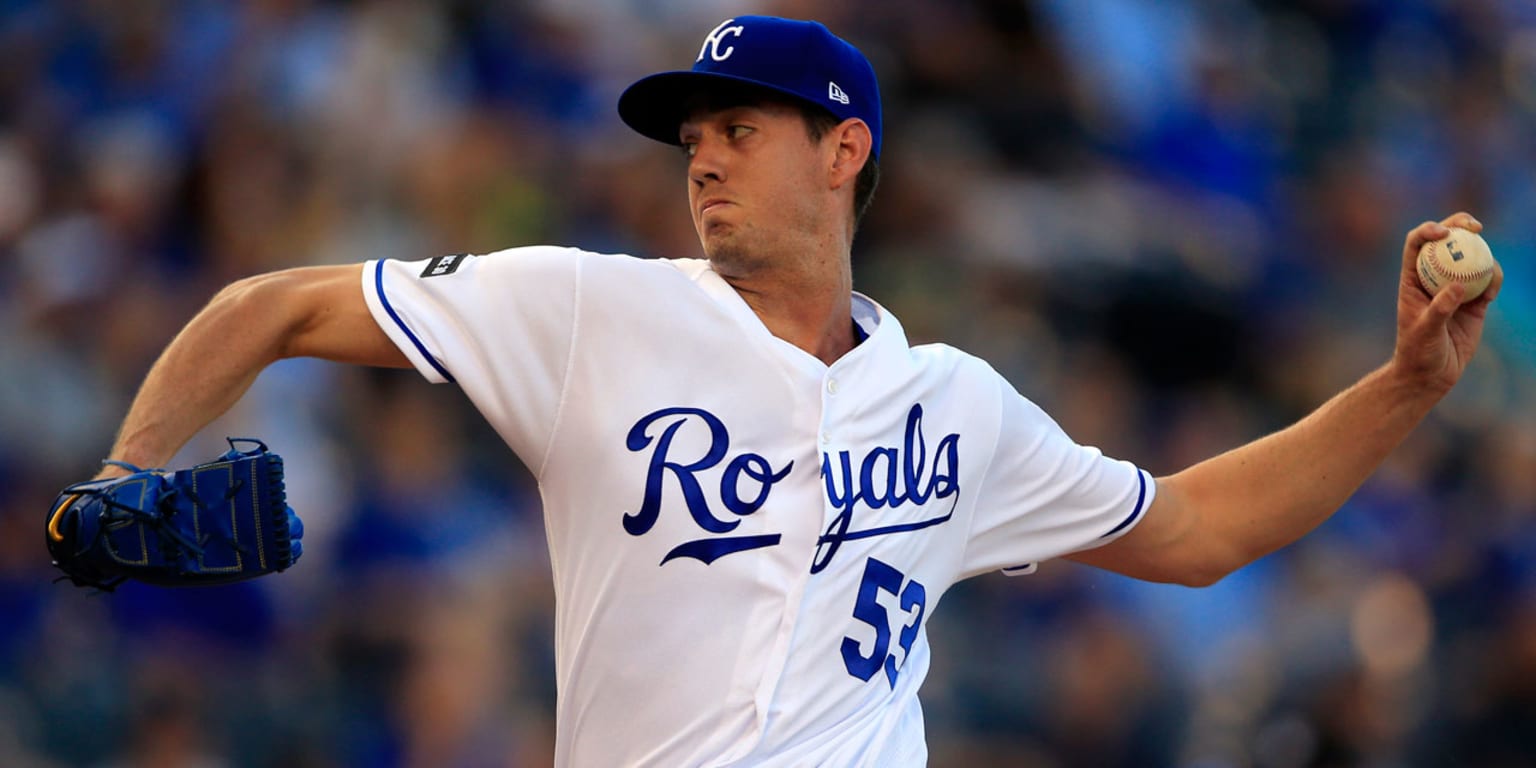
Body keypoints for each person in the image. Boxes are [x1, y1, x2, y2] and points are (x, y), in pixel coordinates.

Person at [87, 15, 1500, 767]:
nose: (701, 157)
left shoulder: (954, 405)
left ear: (843, 153)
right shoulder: (593, 308)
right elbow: (269, 305)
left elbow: (1195, 532)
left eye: (740, 129)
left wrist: (1402, 390)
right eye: (691, 135)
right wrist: (123, 475)